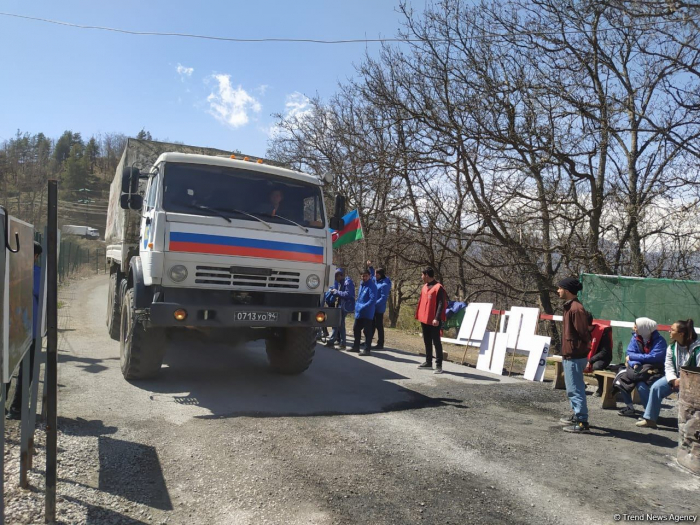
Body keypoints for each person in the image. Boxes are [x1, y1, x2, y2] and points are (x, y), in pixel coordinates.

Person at [634, 319, 699, 428]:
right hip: (674, 379)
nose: (669, 331)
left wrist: (683, 381)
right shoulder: (672, 348)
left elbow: (698, 371)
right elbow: (668, 366)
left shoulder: (698, 349)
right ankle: (650, 419)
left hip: (694, 383)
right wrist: (673, 380)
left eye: (672, 330)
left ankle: (690, 425)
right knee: (656, 387)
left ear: (681, 334)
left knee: (687, 400)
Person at [6, 241, 42, 420]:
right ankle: (17, 409)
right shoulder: (38, 274)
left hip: (9, 329)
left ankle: (3, 405)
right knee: (25, 371)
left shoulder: (9, 271)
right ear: (36, 256)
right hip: (30, 330)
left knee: (6, 368)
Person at [557, 277, 592, 433]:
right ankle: (576, 414)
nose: (558, 291)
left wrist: (577, 349)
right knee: (572, 387)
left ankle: (582, 422)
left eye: (560, 288)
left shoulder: (576, 309)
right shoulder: (570, 307)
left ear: (567, 290)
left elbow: (583, 333)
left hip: (575, 355)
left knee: (576, 388)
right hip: (570, 354)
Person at [616, 317, 667, 418]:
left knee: (641, 385)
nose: (634, 328)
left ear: (644, 328)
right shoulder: (635, 337)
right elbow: (630, 352)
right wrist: (634, 363)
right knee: (620, 379)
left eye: (636, 326)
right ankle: (629, 407)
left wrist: (632, 358)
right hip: (637, 369)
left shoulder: (660, 341)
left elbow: (654, 357)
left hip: (654, 370)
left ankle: (650, 413)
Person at [415, 267, 448, 374]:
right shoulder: (424, 286)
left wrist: (437, 318)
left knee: (436, 342)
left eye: (422, 275)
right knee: (427, 340)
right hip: (424, 318)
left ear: (427, 275)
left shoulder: (439, 288)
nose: (421, 277)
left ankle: (439, 365)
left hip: (434, 320)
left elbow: (441, 304)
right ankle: (428, 362)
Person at [583, 312, 613, 396]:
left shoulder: (603, 331)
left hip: (602, 357)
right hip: (587, 355)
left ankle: (602, 388)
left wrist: (590, 361)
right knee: (574, 361)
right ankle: (580, 385)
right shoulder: (581, 331)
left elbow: (605, 351)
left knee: (597, 367)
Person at [350, 268, 377, 355]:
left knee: (367, 331)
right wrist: (357, 306)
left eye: (366, 276)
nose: (364, 277)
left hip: (367, 312)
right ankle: (356, 347)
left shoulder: (372, 286)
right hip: (359, 312)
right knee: (356, 329)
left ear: (369, 276)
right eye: (362, 276)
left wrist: (363, 307)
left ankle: (367, 349)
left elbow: (372, 299)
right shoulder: (362, 285)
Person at [326, 269, 355, 350]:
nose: (336, 280)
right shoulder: (342, 283)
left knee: (340, 324)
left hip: (344, 306)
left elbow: (348, 294)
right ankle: (336, 342)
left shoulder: (347, 282)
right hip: (340, 305)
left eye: (336, 277)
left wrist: (336, 292)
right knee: (338, 323)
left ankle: (341, 343)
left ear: (340, 275)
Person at [368, 261, 392, 350]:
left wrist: (374, 304)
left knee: (379, 325)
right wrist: (370, 267)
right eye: (375, 275)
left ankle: (380, 343)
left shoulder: (384, 284)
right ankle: (368, 340)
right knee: (372, 324)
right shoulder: (377, 280)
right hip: (373, 307)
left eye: (377, 275)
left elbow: (383, 298)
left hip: (379, 308)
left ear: (381, 275)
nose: (375, 276)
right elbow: (372, 274)